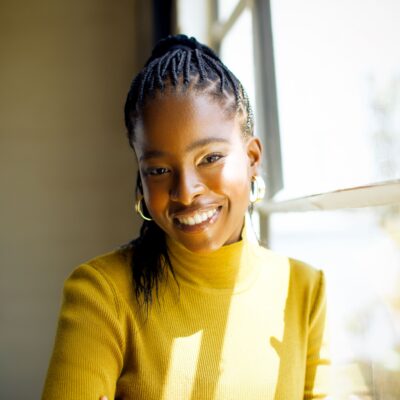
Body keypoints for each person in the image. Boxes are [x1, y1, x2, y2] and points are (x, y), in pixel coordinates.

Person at [42, 34, 330, 399]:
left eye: (210, 158)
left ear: (253, 158)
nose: (185, 191)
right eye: (159, 170)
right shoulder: (101, 294)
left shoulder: (304, 289)